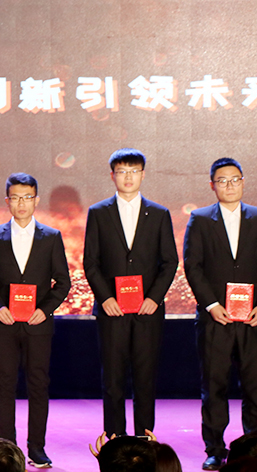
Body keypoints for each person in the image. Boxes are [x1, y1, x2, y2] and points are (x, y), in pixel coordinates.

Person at [183, 158, 257, 470]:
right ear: (212, 185)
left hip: (252, 318)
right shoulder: (200, 219)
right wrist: (211, 305)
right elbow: (193, 266)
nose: (229, 185)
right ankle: (215, 449)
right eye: (222, 180)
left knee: (255, 386)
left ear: (243, 181)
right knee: (214, 387)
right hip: (216, 319)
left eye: (235, 179)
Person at [0, 172, 71, 468]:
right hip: (4, 324)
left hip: (38, 325)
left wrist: (46, 309)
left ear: (36, 200)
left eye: (27, 197)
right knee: (4, 384)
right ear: (7, 201)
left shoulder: (51, 237)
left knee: (38, 385)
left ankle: (37, 448)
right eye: (15, 198)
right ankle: (7, 448)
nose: (21, 203)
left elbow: (63, 282)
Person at [83, 148, 178, 437]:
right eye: (122, 171)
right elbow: (91, 262)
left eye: (134, 171)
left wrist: (154, 298)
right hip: (112, 311)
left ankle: (144, 441)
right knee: (112, 381)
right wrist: (105, 298)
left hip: (147, 311)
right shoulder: (98, 213)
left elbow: (170, 261)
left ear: (143, 175)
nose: (128, 177)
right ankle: (115, 442)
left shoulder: (159, 213)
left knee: (145, 380)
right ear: (112, 175)